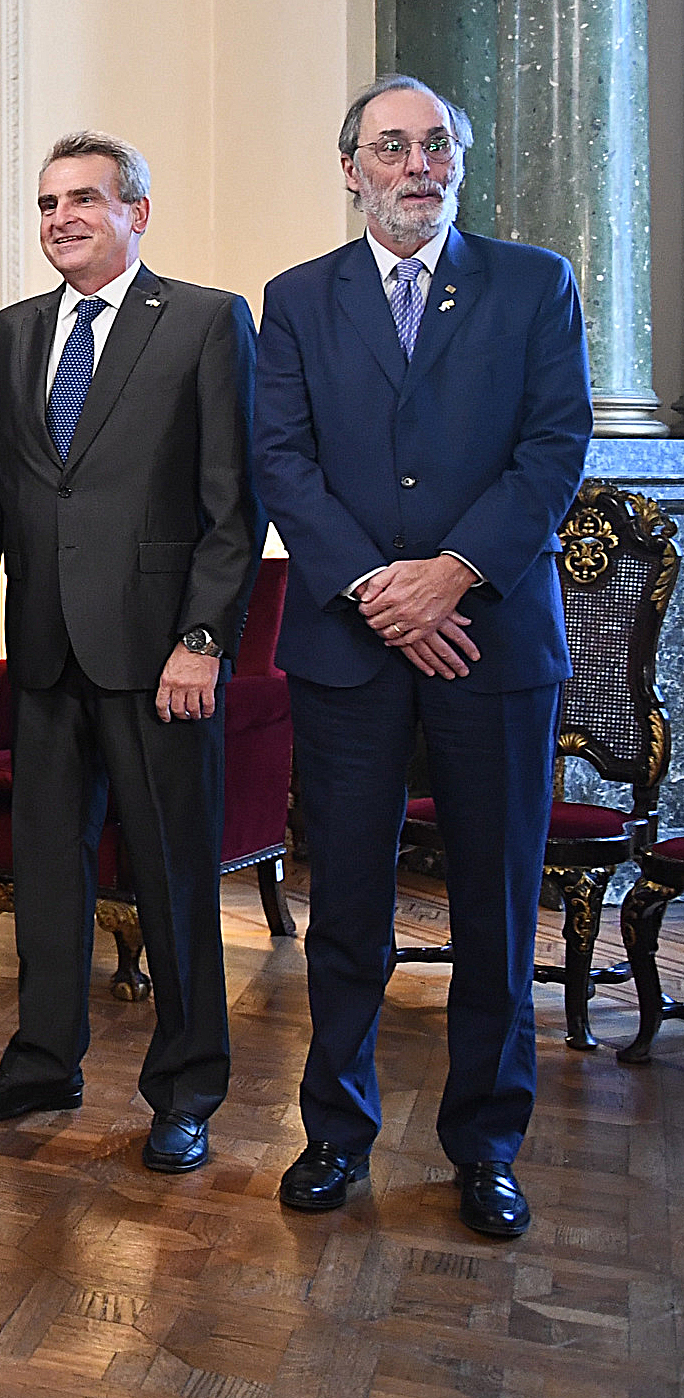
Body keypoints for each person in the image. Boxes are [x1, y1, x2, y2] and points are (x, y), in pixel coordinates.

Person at [254, 75, 590, 1239]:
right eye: (388, 146)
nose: (415, 164)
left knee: (495, 906)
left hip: (490, 641)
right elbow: (281, 461)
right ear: (348, 168)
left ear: (458, 159)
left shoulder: (531, 282)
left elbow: (553, 448)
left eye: (433, 143)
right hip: (348, 647)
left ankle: (485, 1144)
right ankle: (332, 1135)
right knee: (342, 897)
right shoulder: (296, 298)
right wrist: (372, 590)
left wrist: (449, 575)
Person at [0, 131, 262, 1176]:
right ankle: (41, 1058)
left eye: (83, 198)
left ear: (136, 211)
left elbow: (230, 504)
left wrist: (202, 638)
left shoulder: (207, 322)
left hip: (157, 658)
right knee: (44, 872)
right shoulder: (4, 337)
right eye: (45, 203)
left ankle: (183, 1087)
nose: (61, 218)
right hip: (38, 655)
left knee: (171, 878)